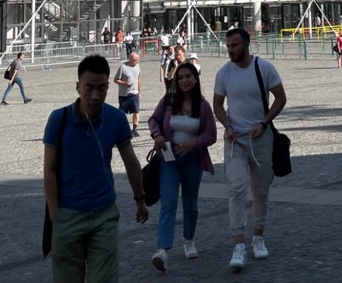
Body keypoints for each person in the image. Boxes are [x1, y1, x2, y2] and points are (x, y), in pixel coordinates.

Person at [43, 54, 149, 283]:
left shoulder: (116, 118)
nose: (95, 95)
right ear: (78, 86)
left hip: (103, 214)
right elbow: (49, 169)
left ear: (108, 86)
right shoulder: (59, 120)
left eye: (101, 88)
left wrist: (140, 199)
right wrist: (55, 215)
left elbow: (131, 161)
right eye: (89, 88)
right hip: (67, 214)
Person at [212, 27, 287, 270]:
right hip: (235, 140)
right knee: (235, 189)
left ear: (246, 44)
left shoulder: (264, 68)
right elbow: (218, 105)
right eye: (228, 46)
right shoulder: (224, 73)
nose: (230, 50)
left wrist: (264, 123)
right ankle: (239, 245)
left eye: (234, 45)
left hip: (261, 138)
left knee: (260, 190)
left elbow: (280, 98)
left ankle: (258, 237)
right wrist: (227, 126)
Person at [147, 61, 217, 270]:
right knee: (168, 202)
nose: (184, 81)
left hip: (193, 160)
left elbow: (211, 134)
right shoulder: (169, 100)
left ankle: (189, 240)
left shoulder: (203, 106)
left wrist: (194, 143)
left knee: (190, 203)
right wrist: (157, 135)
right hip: (169, 159)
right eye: (180, 77)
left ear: (195, 79)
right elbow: (153, 120)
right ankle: (162, 249)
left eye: (188, 76)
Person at [114, 50, 142, 137]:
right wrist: (124, 83)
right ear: (131, 60)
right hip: (124, 95)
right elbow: (116, 80)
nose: (137, 62)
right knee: (121, 113)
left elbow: (138, 78)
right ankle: (121, 129)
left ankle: (135, 129)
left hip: (134, 93)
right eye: (135, 60)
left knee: (136, 111)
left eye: (138, 60)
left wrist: (139, 91)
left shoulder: (137, 66)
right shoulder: (123, 67)